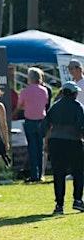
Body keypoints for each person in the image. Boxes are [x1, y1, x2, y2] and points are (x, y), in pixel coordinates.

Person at [41, 81, 84, 215]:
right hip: (73, 142)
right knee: (79, 172)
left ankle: (59, 205)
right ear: (73, 93)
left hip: (56, 142)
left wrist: (46, 143)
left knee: (58, 174)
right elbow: (81, 126)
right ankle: (77, 200)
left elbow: (46, 126)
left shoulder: (55, 106)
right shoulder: (78, 106)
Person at [16, 68, 48, 183]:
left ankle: (35, 174)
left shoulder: (25, 91)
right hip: (41, 121)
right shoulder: (44, 90)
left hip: (30, 120)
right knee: (40, 148)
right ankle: (40, 174)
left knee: (32, 148)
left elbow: (20, 106)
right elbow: (44, 104)